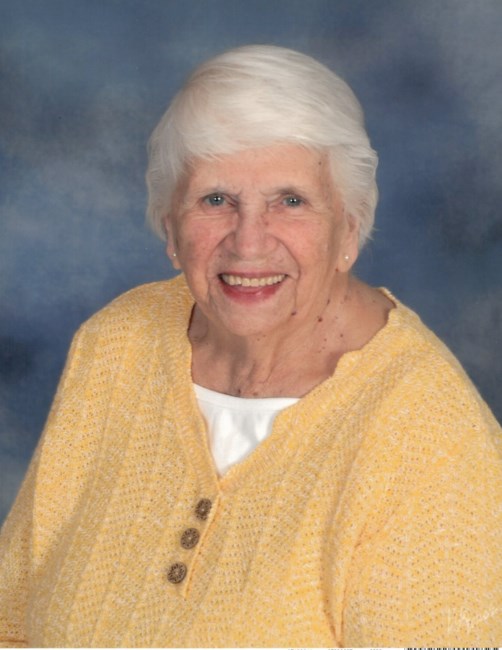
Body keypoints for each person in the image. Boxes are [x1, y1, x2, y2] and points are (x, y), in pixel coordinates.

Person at [0, 44, 501, 648]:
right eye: (216, 200)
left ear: (349, 227)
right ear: (171, 226)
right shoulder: (117, 345)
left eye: (290, 201)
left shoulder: (431, 437)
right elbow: (12, 618)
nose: (249, 242)